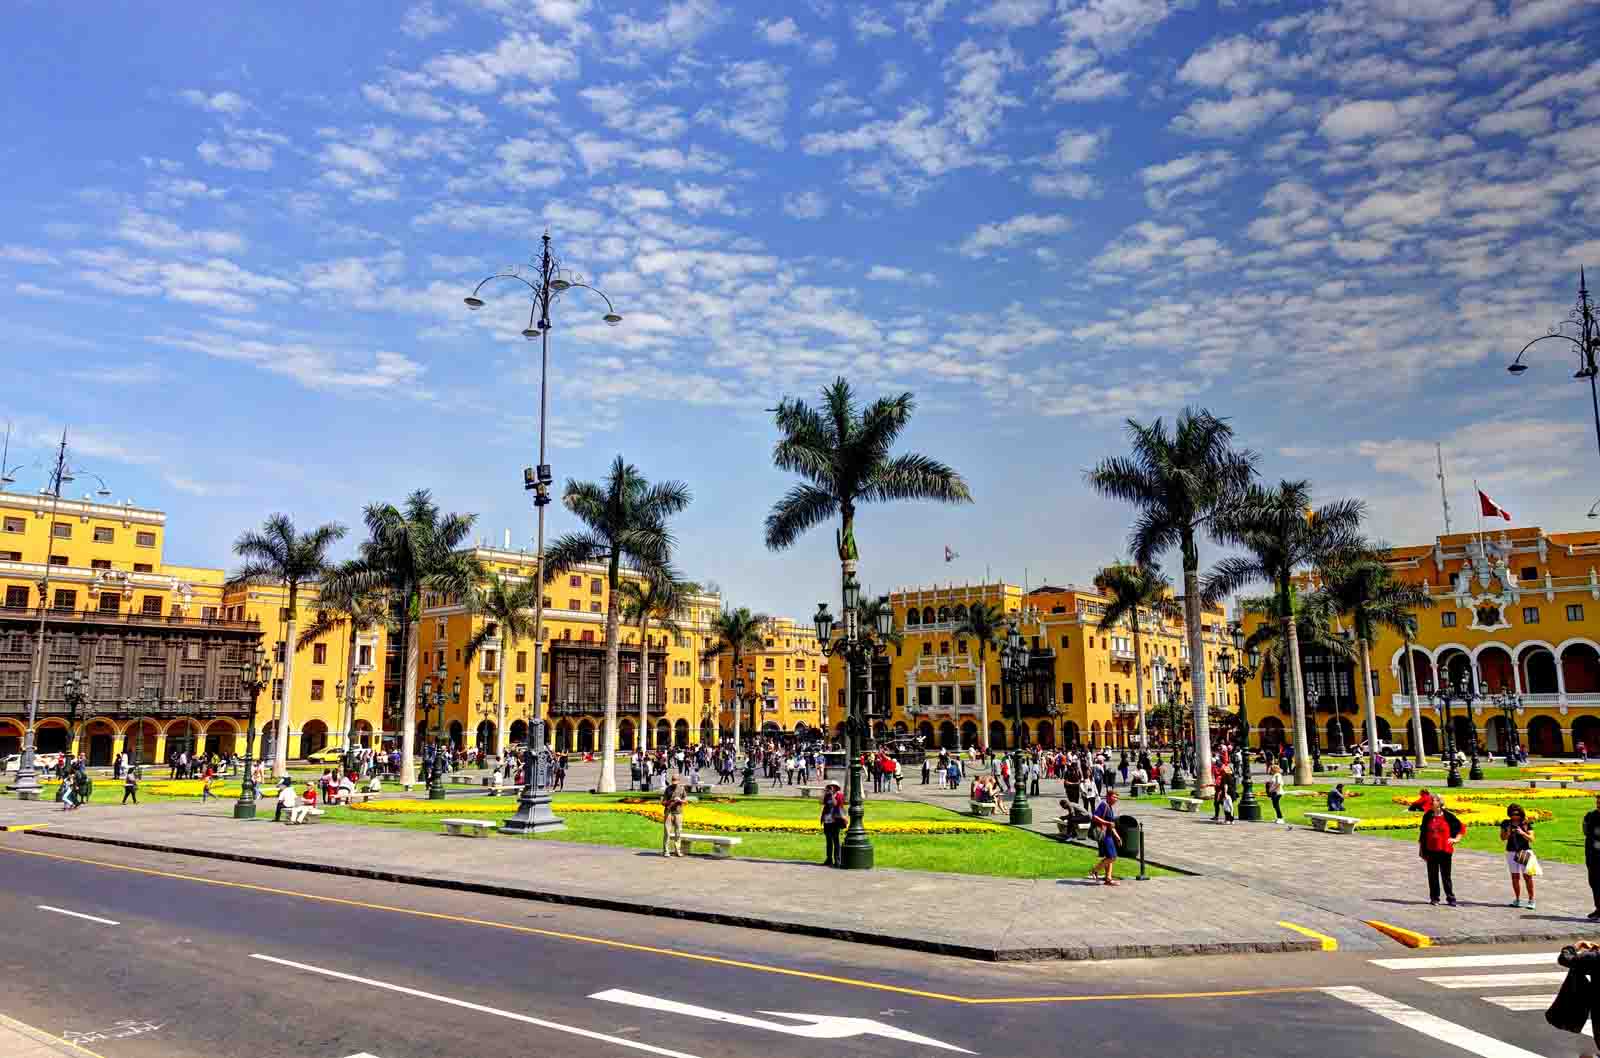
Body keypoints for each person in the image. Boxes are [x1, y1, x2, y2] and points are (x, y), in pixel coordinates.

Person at [1418, 794, 1462, 906]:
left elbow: (1461, 827)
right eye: (1431, 800)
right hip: (1431, 850)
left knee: (1446, 875)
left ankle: (1451, 898)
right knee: (1432, 875)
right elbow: (1423, 833)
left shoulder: (1448, 816)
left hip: (1445, 850)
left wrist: (1456, 839)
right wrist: (1421, 849)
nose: (1431, 802)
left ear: (1440, 803)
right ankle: (1435, 898)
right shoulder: (1427, 816)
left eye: (1434, 800)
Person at [1501, 803, 1537, 909]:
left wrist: (1522, 832)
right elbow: (1502, 838)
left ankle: (1531, 899)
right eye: (1512, 814)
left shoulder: (1525, 823)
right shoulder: (1506, 823)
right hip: (1511, 851)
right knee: (1515, 877)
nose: (1515, 816)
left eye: (1517, 814)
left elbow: (1531, 839)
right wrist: (1508, 832)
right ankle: (1517, 899)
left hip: (1524, 851)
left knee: (1527, 877)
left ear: (1521, 813)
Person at [1090, 790, 1121, 885]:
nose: (1116, 799)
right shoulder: (1103, 805)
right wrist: (1106, 823)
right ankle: (1095, 870)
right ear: (1108, 796)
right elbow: (1094, 817)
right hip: (1104, 836)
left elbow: (1111, 825)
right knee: (1112, 857)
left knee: (1109, 857)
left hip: (1109, 835)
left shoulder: (1110, 808)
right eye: (1114, 797)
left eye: (1117, 798)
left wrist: (1117, 836)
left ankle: (1108, 879)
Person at [661, 772, 688, 857]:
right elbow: (663, 802)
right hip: (668, 812)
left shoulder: (682, 789)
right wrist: (671, 801)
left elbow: (686, 801)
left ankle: (677, 850)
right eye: (673, 782)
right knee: (667, 832)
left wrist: (680, 800)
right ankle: (666, 851)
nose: (674, 784)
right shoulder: (668, 789)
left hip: (678, 813)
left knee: (678, 832)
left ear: (679, 781)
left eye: (676, 782)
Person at [1583, 793, 1600, 920]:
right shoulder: (1591, 815)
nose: (1598, 803)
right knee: (1593, 882)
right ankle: (1598, 909)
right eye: (1598, 801)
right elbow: (1585, 830)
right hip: (1591, 855)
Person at [821, 781, 845, 866]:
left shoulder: (839, 795)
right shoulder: (827, 795)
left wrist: (832, 795)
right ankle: (829, 859)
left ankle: (837, 860)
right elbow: (822, 803)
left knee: (836, 841)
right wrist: (824, 793)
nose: (831, 788)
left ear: (836, 787)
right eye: (830, 786)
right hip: (827, 820)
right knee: (828, 841)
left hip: (835, 820)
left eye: (832, 786)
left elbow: (836, 804)